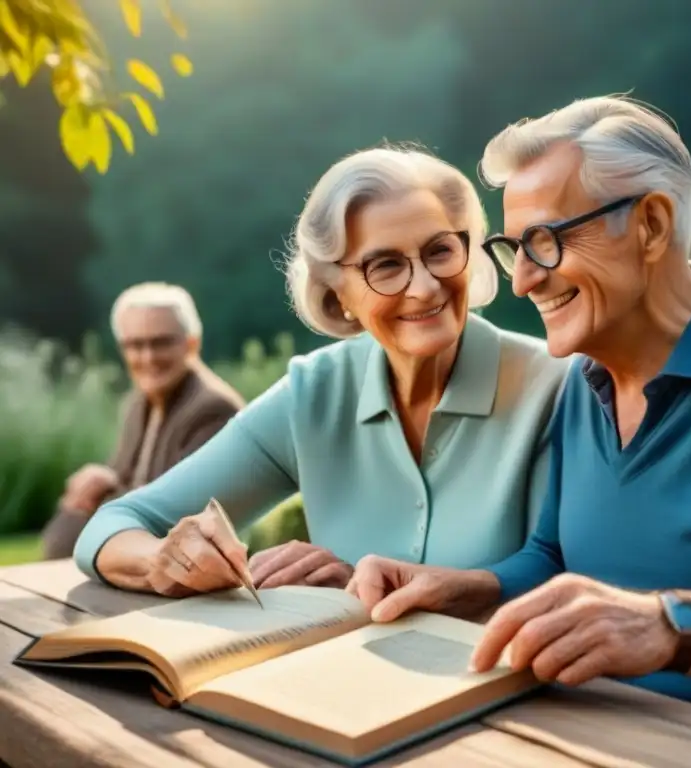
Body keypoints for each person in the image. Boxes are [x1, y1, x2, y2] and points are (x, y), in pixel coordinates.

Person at [344, 97, 691, 761]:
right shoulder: (585, 385)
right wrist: (462, 588)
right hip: (617, 740)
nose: (524, 279)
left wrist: (667, 625)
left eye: (546, 241)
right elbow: (554, 557)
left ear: (649, 225)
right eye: (512, 248)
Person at [72, 146, 569, 598]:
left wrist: (357, 588)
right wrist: (166, 559)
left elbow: (565, 575)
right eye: (386, 265)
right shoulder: (313, 393)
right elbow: (113, 524)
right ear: (338, 296)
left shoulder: (552, 387)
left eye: (440, 251)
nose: (425, 286)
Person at [42, 283, 244, 560]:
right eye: (135, 345)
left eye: (160, 342)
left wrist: (106, 488)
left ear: (191, 343)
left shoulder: (212, 410)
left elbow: (174, 515)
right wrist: (95, 487)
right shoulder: (137, 403)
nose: (148, 357)